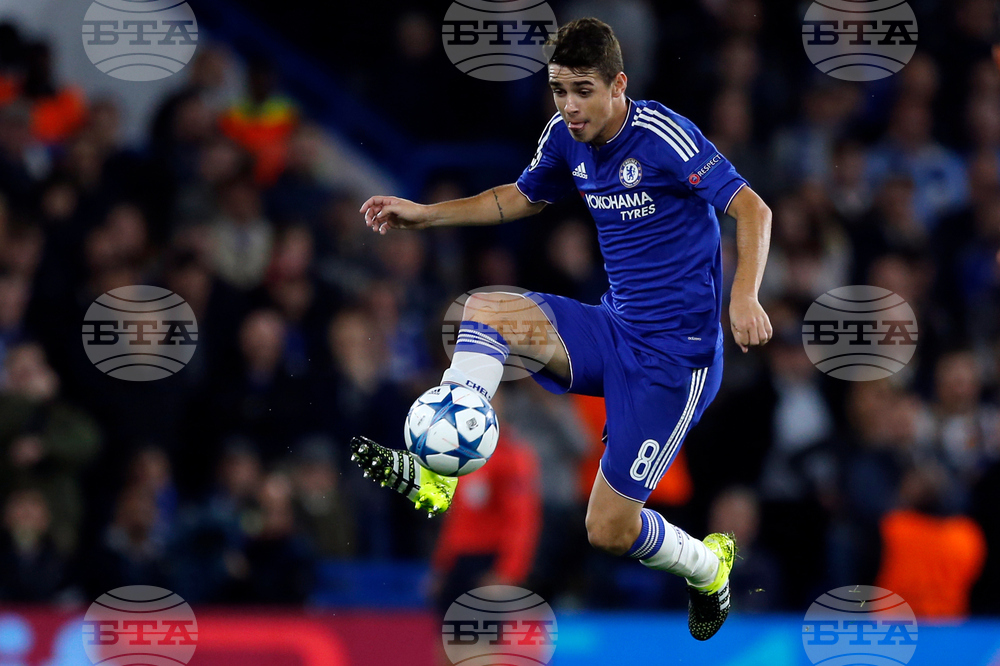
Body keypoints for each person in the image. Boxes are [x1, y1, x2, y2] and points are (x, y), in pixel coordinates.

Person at [352, 18, 772, 640]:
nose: (569, 106)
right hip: (614, 326)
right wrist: (426, 216)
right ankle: (441, 476)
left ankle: (709, 567)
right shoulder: (563, 137)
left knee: (607, 530)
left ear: (617, 85)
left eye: (582, 90)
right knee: (486, 309)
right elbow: (521, 196)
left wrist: (744, 297)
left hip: (675, 363)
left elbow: (751, 207)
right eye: (558, 91)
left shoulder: (661, 136)